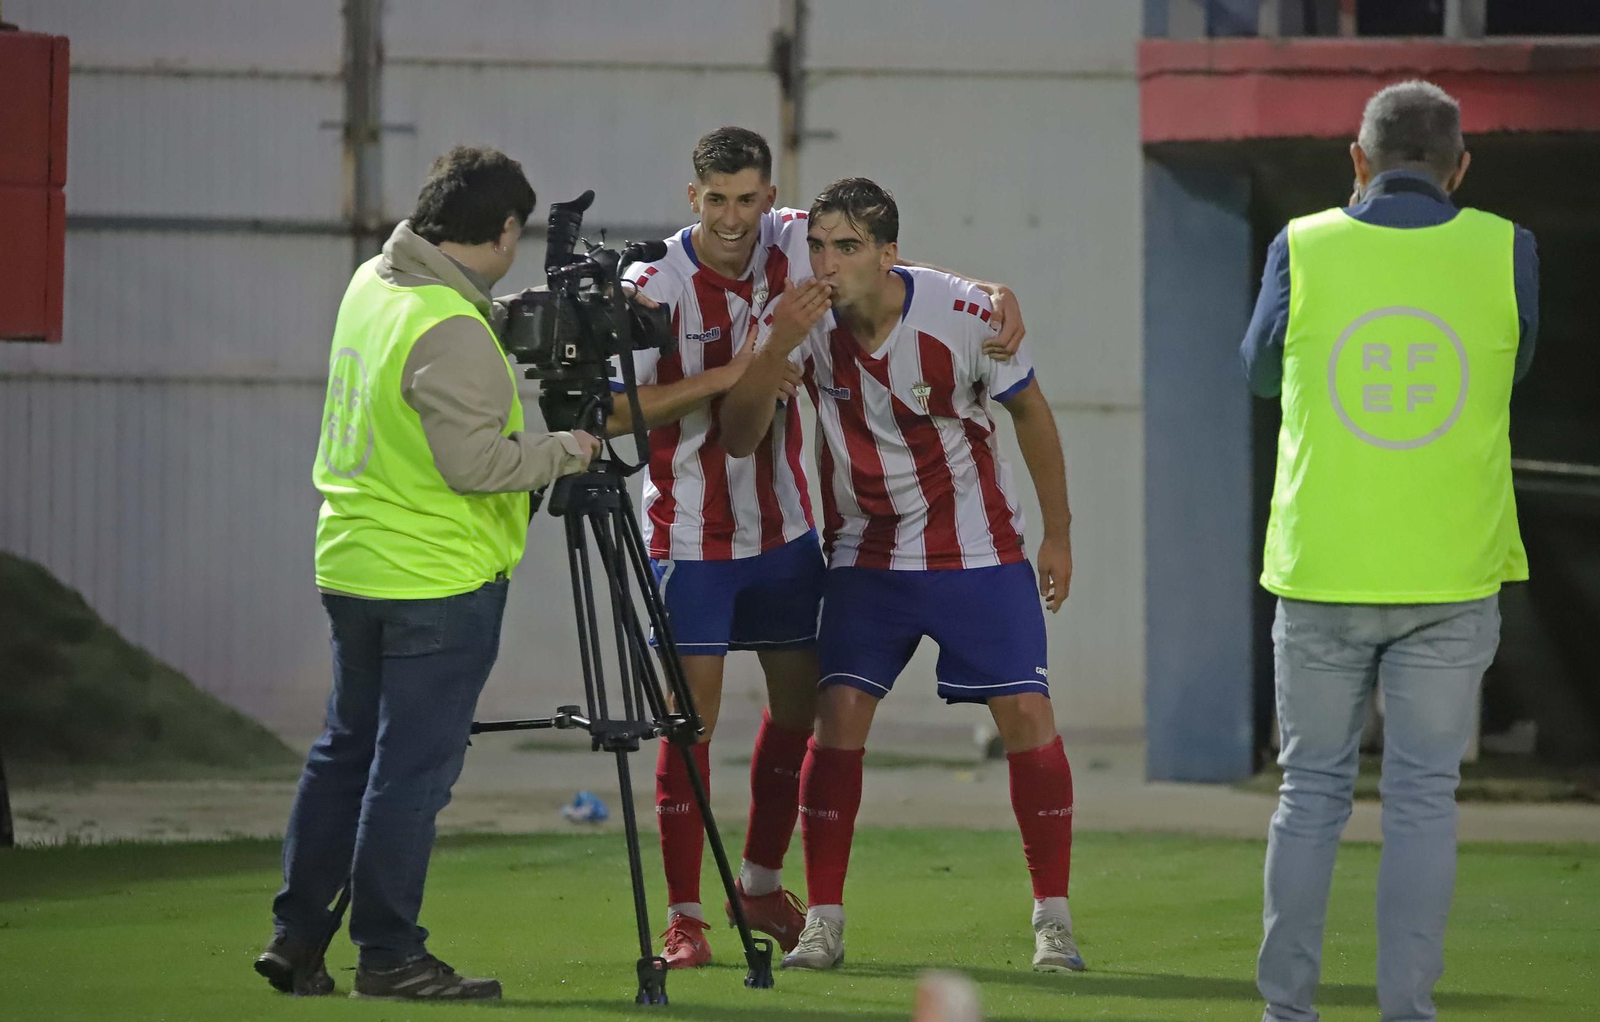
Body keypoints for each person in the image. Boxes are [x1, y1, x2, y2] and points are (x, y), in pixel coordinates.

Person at [611, 128, 1029, 969]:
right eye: (716, 199)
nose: (734, 217)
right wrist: (742, 370)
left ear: (769, 199)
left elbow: (881, 255)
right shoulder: (651, 285)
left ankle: (759, 884)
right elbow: (619, 415)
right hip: (688, 534)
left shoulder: (789, 239)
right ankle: (685, 917)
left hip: (788, 533)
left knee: (796, 717)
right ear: (693, 197)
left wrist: (987, 290)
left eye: (748, 199)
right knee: (690, 725)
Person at [255, 146, 601, 1001]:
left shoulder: (374, 284)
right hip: (435, 579)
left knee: (345, 753)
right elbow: (476, 463)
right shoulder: (450, 325)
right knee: (411, 773)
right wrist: (569, 449)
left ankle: (298, 938)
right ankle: (389, 954)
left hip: (353, 560)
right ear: (507, 229)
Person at [719, 177, 1082, 974]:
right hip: (866, 555)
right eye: (816, 246)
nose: (825, 262)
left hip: (979, 551)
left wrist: (1056, 536)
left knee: (1027, 715)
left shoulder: (964, 316)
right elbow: (741, 436)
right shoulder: (800, 325)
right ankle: (823, 920)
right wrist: (774, 347)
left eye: (845, 247)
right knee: (837, 716)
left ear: (887, 254)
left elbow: (1032, 414)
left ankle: (1053, 921)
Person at [1242, 81, 1538, 1022]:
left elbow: (1257, 371)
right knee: (1423, 800)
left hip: (1323, 567)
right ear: (1459, 166)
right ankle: (1408, 1013)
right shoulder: (1508, 249)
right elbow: (1513, 363)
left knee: (1311, 793)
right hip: (1452, 574)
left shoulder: (1303, 244)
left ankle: (1286, 1011)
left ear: (1356, 159)